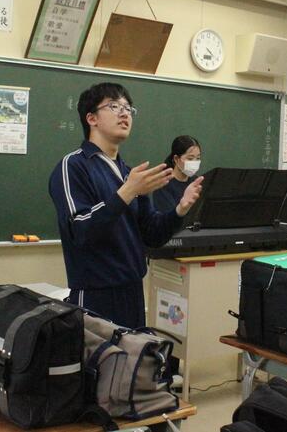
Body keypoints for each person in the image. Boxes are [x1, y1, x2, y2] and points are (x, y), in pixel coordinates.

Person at [49, 83, 203, 329]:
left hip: (132, 291)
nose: (124, 113)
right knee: (98, 355)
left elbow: (152, 235)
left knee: (133, 354)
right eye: (114, 106)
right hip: (95, 294)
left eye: (128, 108)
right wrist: (128, 191)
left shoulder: (128, 173)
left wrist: (180, 210)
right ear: (91, 118)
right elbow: (80, 230)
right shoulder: (73, 166)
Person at [153, 136, 202, 213]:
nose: (194, 162)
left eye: (198, 158)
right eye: (190, 158)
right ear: (176, 159)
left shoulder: (196, 182)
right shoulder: (163, 184)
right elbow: (167, 216)